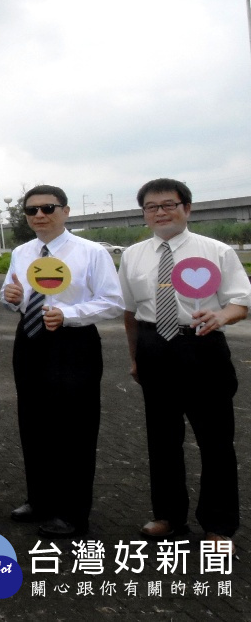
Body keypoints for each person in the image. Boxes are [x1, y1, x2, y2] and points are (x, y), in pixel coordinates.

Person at [118, 178, 249, 543]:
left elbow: (241, 301)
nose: (160, 212)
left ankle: (219, 524)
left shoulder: (216, 251)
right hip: (153, 347)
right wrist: (134, 358)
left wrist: (223, 316)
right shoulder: (132, 255)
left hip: (202, 346)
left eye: (168, 204)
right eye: (151, 207)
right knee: (162, 439)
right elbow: (130, 313)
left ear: (187, 208)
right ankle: (169, 517)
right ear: (144, 214)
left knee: (216, 440)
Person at [2, 184, 123, 538]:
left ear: (66, 212)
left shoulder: (90, 252)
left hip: (73, 343)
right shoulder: (22, 252)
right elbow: (16, 298)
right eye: (32, 210)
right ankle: (40, 500)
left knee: (75, 429)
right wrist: (10, 298)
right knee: (33, 422)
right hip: (30, 340)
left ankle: (73, 513)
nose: (39, 215)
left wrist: (68, 314)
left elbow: (113, 302)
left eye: (48, 208)